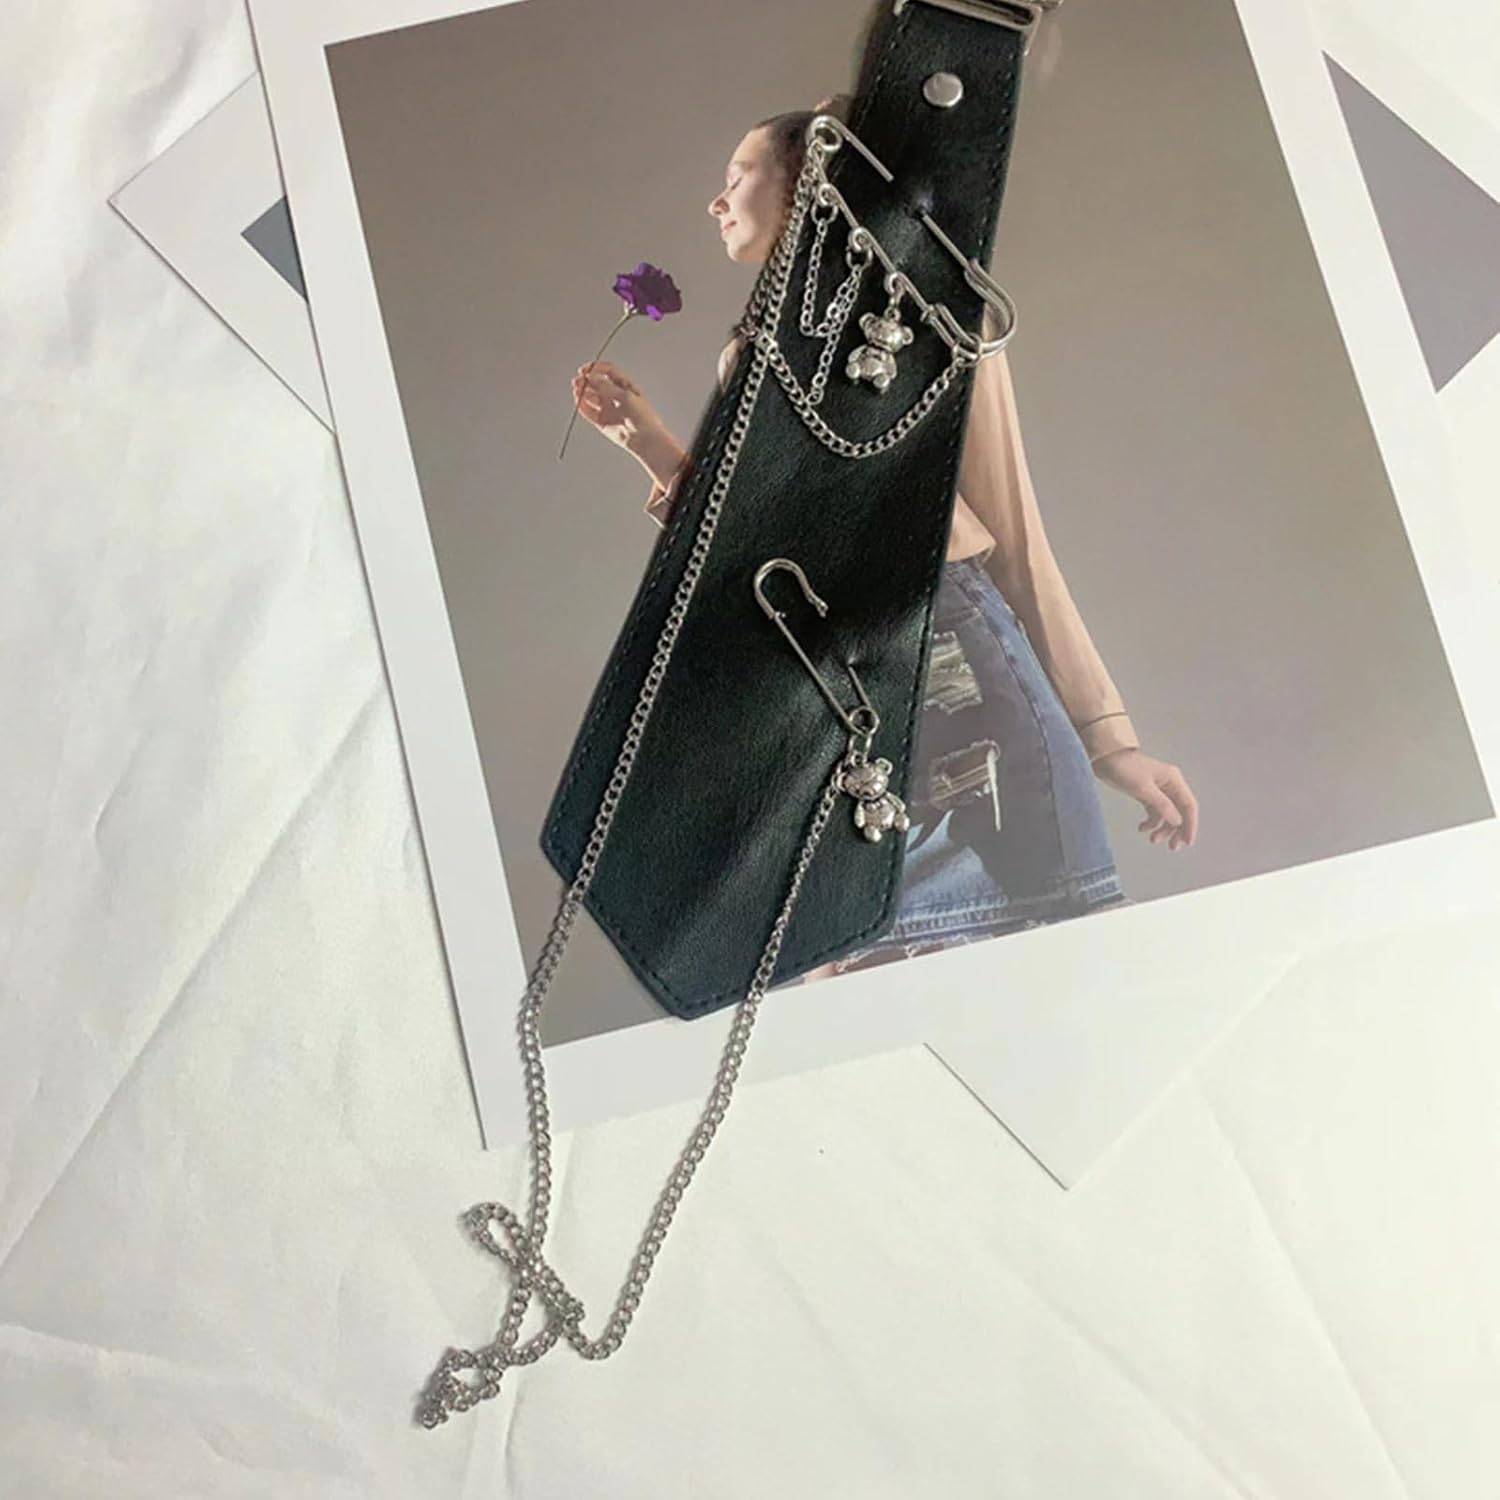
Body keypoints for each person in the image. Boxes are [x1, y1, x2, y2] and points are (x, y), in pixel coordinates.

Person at [568, 96, 1199, 978]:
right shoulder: (752, 350)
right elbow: (752, 551)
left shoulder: (935, 312)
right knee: (857, 962)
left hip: (949, 664)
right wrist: (648, 443)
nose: (716, 201)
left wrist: (1108, 736)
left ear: (811, 181)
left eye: (739, 176)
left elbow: (1014, 531)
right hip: (830, 676)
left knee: (997, 964)